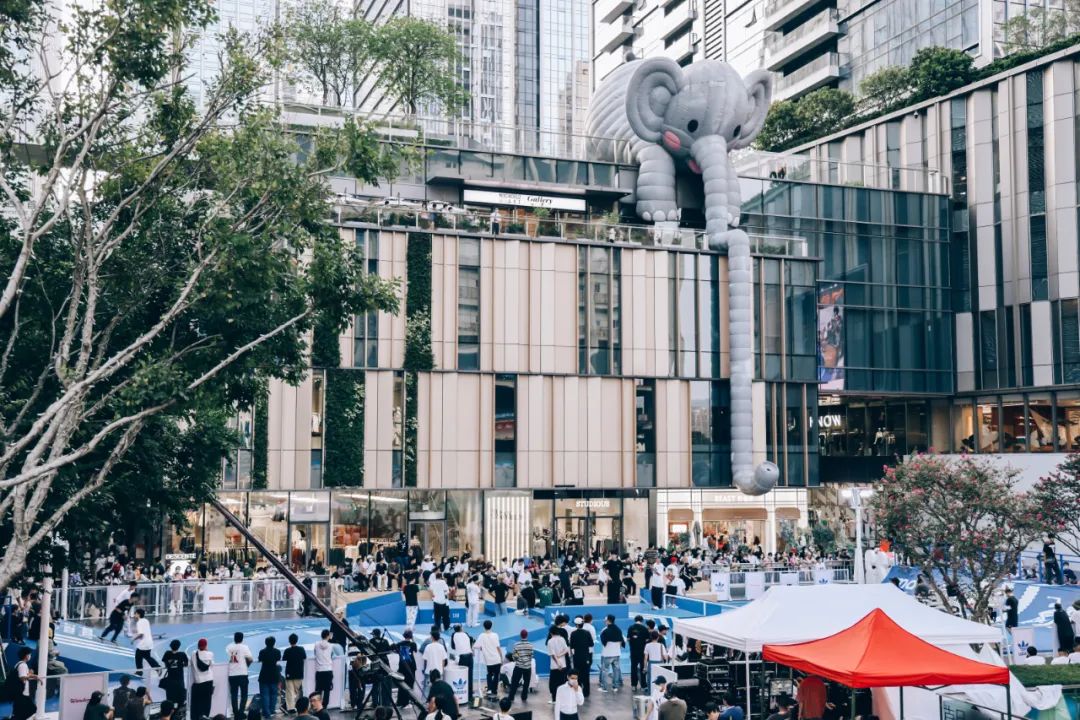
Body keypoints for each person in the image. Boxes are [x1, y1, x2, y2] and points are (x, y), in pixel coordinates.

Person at [227, 631, 255, 719]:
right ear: (242, 639)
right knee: (244, 694)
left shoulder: (229, 647)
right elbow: (250, 658)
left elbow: (229, 659)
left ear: (234, 638)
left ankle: (236, 713)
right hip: (242, 673)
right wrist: (247, 665)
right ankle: (241, 712)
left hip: (232, 674)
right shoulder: (244, 647)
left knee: (234, 694)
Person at [473, 619, 502, 699]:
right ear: (491, 626)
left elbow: (475, 646)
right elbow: (498, 648)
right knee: (496, 675)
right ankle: (494, 691)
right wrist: (501, 657)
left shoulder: (482, 636)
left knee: (489, 675)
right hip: (496, 659)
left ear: (484, 626)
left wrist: (482, 647)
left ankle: (489, 689)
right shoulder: (495, 635)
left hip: (488, 660)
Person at [161, 639, 190, 718]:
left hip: (170, 681)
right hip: (179, 681)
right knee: (181, 700)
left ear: (171, 646)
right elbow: (186, 663)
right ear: (179, 646)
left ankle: (170, 715)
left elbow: (165, 662)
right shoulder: (182, 654)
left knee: (170, 700)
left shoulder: (167, 653)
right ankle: (178, 715)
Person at [258, 637, 282, 720]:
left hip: (264, 675)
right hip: (274, 675)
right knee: (274, 694)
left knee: (265, 695)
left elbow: (260, 659)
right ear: (274, 643)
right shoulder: (277, 652)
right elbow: (278, 658)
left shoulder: (262, 652)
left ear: (265, 643)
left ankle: (267, 713)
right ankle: (272, 710)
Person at [191, 638, 216, 720]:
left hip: (197, 682)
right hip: (208, 682)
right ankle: (205, 717)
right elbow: (212, 665)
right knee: (207, 703)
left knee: (196, 704)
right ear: (206, 645)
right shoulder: (210, 654)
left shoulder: (194, 654)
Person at [599, 614, 624, 692]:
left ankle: (604, 687)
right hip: (617, 653)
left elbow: (603, 642)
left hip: (607, 654)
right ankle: (615, 686)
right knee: (616, 670)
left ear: (608, 620)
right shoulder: (618, 630)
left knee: (605, 670)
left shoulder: (605, 631)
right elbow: (622, 641)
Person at [450, 624, 475, 703]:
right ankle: (470, 696)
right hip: (470, 656)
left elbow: (453, 647)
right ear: (461, 628)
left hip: (462, 658)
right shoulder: (466, 634)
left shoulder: (454, 635)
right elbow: (471, 640)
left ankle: (462, 695)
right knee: (470, 676)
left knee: (462, 676)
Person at [131, 609, 160, 676]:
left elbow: (141, 634)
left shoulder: (139, 622)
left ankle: (140, 672)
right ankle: (157, 668)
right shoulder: (146, 620)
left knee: (138, 656)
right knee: (147, 656)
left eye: (135, 614)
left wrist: (133, 639)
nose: (134, 615)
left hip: (144, 643)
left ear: (138, 614)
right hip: (149, 642)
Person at [508, 629, 534, 704]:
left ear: (520, 635)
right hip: (527, 667)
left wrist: (518, 659)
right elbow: (531, 656)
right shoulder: (530, 645)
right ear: (527, 635)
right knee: (526, 683)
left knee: (514, 682)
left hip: (518, 666)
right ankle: (524, 697)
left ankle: (511, 697)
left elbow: (514, 656)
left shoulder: (516, 645)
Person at [569, 617, 593, 698]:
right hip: (586, 656)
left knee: (577, 674)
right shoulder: (587, 633)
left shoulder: (573, 634)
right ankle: (586, 692)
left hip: (577, 657)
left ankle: (578, 690)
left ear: (576, 625)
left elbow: (571, 645)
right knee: (586, 674)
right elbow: (591, 644)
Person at [283, 633, 307, 713]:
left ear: (289, 641)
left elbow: (283, 658)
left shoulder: (287, 651)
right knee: (298, 691)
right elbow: (304, 657)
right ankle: (298, 706)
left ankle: (291, 708)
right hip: (299, 673)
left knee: (290, 691)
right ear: (297, 640)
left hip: (289, 673)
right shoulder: (301, 649)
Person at [546, 626, 571, 703]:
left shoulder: (550, 641)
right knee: (562, 682)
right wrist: (560, 656)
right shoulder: (562, 639)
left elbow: (553, 655)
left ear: (551, 633)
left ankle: (554, 699)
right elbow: (566, 649)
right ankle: (563, 699)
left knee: (553, 683)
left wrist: (558, 662)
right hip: (563, 664)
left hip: (554, 666)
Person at [12, 646, 37, 720]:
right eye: (29, 654)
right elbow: (22, 677)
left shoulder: (19, 664)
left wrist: (35, 676)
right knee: (32, 708)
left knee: (18, 711)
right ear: (26, 655)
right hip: (22, 693)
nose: (30, 656)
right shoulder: (23, 665)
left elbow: (26, 674)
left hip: (18, 693)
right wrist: (32, 676)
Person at [396, 630, 419, 707]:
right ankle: (407, 702)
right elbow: (416, 650)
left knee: (402, 684)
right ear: (411, 636)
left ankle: (400, 701)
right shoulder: (413, 644)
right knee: (410, 684)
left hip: (402, 666)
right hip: (411, 667)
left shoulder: (399, 644)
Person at [627, 614, 649, 691]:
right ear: (642, 621)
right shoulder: (645, 628)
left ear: (635, 620)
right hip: (642, 652)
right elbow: (647, 640)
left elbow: (628, 639)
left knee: (633, 668)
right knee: (643, 668)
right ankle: (643, 686)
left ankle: (634, 685)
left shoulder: (630, 628)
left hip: (633, 651)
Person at [314, 629, 334, 707]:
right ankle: (325, 706)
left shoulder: (316, 644)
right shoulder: (331, 645)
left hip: (319, 670)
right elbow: (331, 655)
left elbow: (315, 653)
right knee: (327, 690)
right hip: (328, 670)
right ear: (327, 636)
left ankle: (317, 706)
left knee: (318, 690)